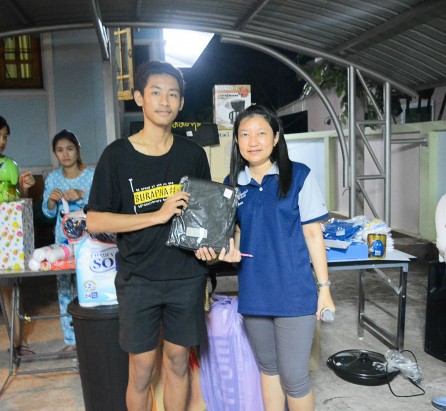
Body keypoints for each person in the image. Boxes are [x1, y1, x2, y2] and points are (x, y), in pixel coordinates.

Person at [86, 60, 211, 411]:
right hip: (138, 278)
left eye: (173, 94)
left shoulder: (193, 154)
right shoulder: (116, 156)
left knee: (177, 361)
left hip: (186, 277)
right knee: (141, 369)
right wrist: (156, 216)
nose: (165, 101)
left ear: (181, 102)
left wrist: (209, 246)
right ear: (139, 98)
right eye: (156, 92)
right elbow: (94, 221)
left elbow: (205, 214)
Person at [195, 104, 335, 411]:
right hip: (255, 292)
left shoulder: (298, 176)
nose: (253, 141)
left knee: (295, 377)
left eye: (261, 133)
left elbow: (313, 235)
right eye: (245, 134)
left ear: (275, 137)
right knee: (268, 369)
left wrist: (324, 289)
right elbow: (232, 235)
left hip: (294, 294)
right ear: (237, 141)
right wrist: (224, 250)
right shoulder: (232, 184)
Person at [42, 129, 95, 349]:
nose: (65, 154)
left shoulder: (91, 175)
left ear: (78, 150)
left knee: (89, 285)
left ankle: (92, 333)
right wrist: (51, 202)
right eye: (60, 150)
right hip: (62, 242)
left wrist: (83, 195)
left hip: (90, 241)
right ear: (55, 153)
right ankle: (71, 339)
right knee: (64, 288)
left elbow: (103, 204)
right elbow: (47, 212)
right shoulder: (53, 179)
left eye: (70, 149)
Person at [0, 115, 36, 356]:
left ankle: (17, 342)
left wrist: (24, 188)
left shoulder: (10, 166)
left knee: (9, 289)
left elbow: (18, 201)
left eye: (5, 136)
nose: (2, 141)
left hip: (7, 237)